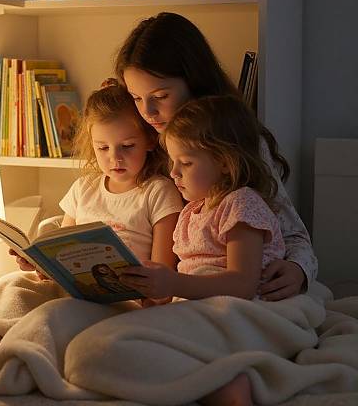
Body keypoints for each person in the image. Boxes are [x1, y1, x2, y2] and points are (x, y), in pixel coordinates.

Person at [0, 81, 183, 373]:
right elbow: (62, 249)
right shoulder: (84, 189)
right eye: (102, 147)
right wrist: (38, 263)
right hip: (74, 290)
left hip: (123, 303)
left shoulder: (158, 192)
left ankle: (18, 351)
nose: (114, 157)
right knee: (12, 285)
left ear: (150, 140)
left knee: (56, 313)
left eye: (127, 146)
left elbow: (162, 279)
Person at [115, 11, 317, 301]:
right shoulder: (135, 141)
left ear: (193, 82)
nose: (147, 112)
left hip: (219, 292)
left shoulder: (233, 145)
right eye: (136, 98)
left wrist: (298, 269)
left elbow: (294, 234)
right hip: (153, 286)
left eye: (160, 97)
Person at [120, 95, 286, 406]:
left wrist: (175, 284)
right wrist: (152, 289)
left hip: (239, 309)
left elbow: (242, 284)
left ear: (225, 162)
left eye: (186, 163)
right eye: (173, 162)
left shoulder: (241, 203)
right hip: (199, 307)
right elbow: (185, 279)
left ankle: (230, 385)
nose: (174, 173)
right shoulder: (192, 212)